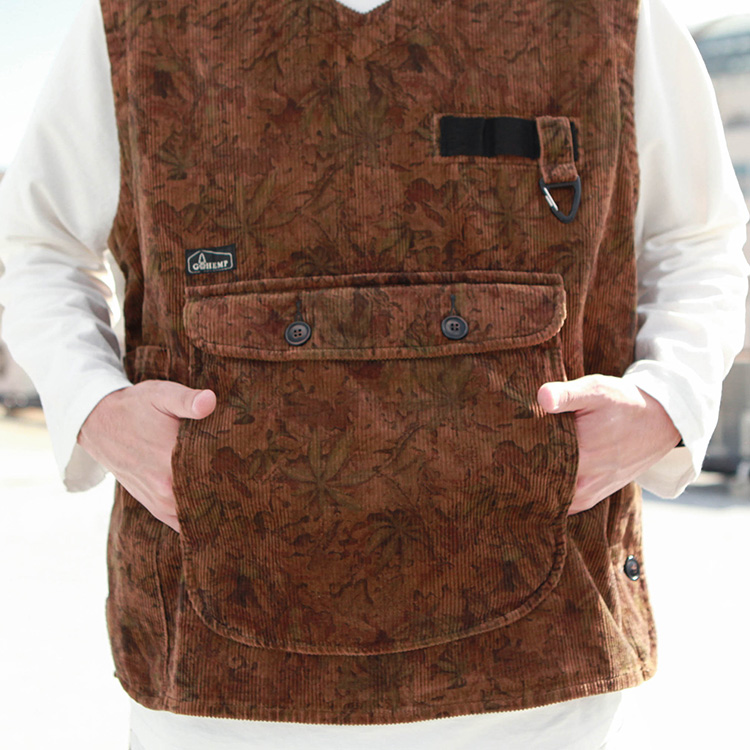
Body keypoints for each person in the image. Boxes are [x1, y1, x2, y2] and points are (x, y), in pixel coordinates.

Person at [0, 0, 748, 747]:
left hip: (546, 672)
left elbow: (701, 239)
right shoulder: (138, 19)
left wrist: (666, 400)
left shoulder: (608, 17)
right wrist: (95, 406)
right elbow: (38, 245)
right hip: (212, 678)